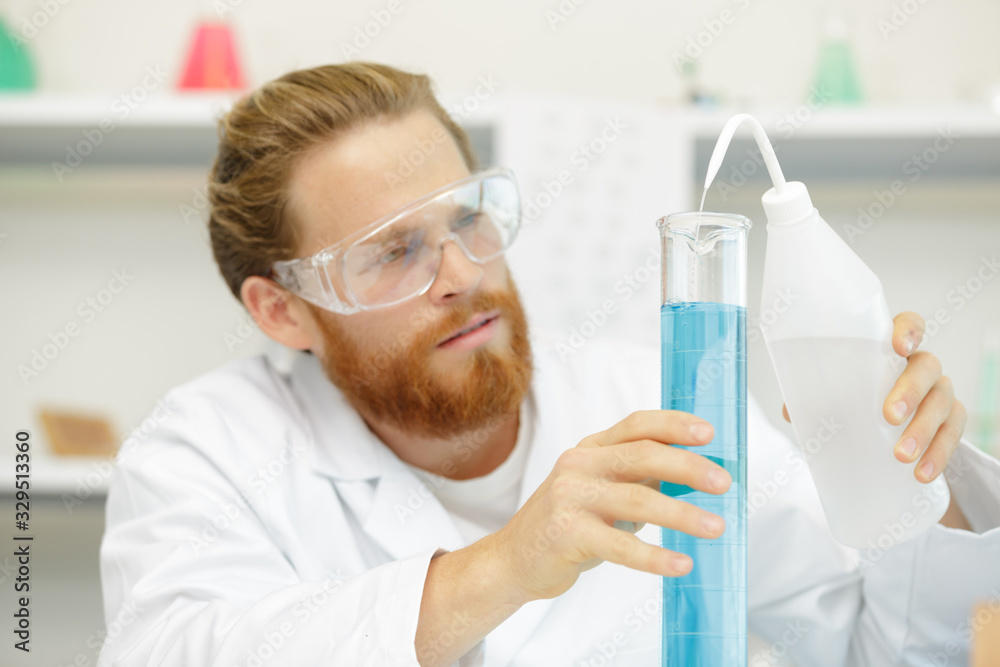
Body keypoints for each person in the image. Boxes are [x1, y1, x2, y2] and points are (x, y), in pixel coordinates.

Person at [97, 62, 1000, 667]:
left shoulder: (654, 400)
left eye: (467, 219)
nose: (460, 275)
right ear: (282, 309)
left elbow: (880, 650)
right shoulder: (203, 450)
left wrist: (924, 481)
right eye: (391, 251)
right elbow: (176, 648)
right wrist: (504, 565)